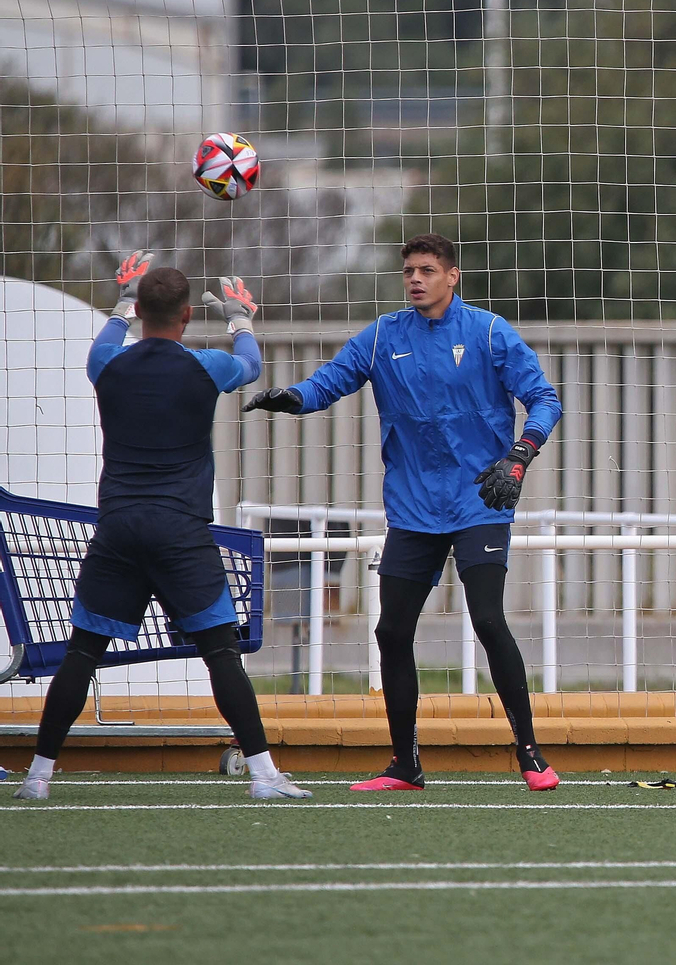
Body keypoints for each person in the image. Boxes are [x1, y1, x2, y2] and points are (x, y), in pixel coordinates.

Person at [243, 234, 562, 791]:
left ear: (452, 276)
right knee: (391, 631)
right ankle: (405, 765)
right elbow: (330, 382)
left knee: (488, 620)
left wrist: (520, 454)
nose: (416, 279)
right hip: (413, 509)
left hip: (479, 500)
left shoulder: (488, 332)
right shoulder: (383, 336)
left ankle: (531, 755)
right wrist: (290, 399)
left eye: (428, 270)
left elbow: (545, 399)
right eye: (409, 270)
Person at [13, 255, 309, 801]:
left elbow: (104, 342)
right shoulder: (205, 367)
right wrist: (241, 316)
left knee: (82, 653)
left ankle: (37, 777)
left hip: (120, 529)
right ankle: (265, 776)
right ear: (189, 315)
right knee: (221, 651)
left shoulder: (107, 365)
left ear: (142, 310)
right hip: (180, 531)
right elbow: (251, 364)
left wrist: (123, 299)